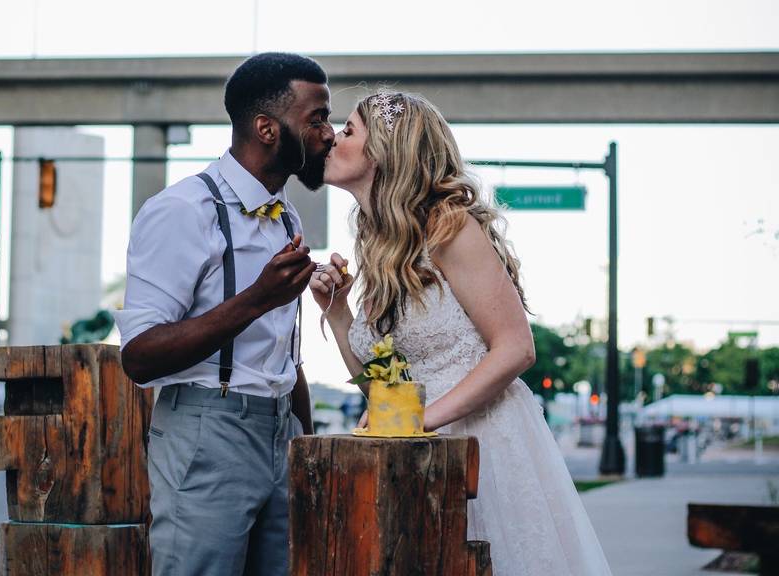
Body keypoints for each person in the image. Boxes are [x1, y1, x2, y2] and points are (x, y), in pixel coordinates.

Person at [311, 91, 613, 575]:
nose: (332, 139)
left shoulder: (449, 227)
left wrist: (421, 421)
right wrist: (338, 311)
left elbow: (515, 347)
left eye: (349, 131)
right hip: (418, 452)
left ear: (387, 150)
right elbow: (380, 388)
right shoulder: (380, 245)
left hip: (483, 441)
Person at [115, 52, 335, 576]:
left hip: (280, 436)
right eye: (317, 119)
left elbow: (285, 353)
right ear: (266, 128)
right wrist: (257, 298)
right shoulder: (181, 211)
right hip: (207, 431)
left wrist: (305, 441)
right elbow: (139, 355)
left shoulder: (287, 215)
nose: (329, 134)